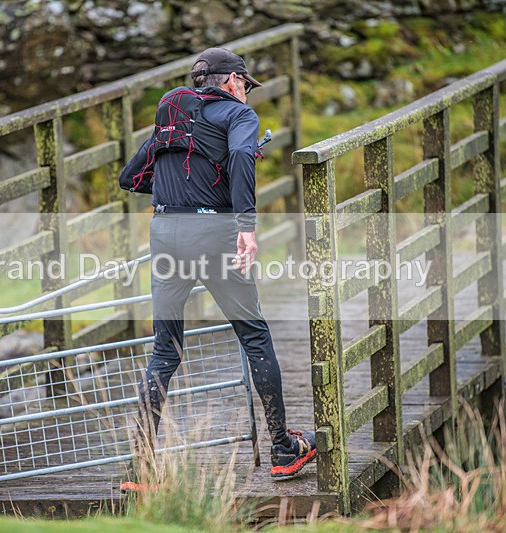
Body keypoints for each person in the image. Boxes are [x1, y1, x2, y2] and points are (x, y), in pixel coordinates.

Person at [119, 47, 315, 485]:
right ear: (231, 81)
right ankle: (284, 450)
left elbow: (130, 178)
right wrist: (246, 225)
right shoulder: (239, 117)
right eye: (246, 85)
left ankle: (139, 468)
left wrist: (183, 185)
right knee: (254, 336)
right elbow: (243, 157)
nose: (247, 93)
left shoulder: (173, 118)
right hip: (216, 236)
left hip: (165, 231)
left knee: (165, 352)